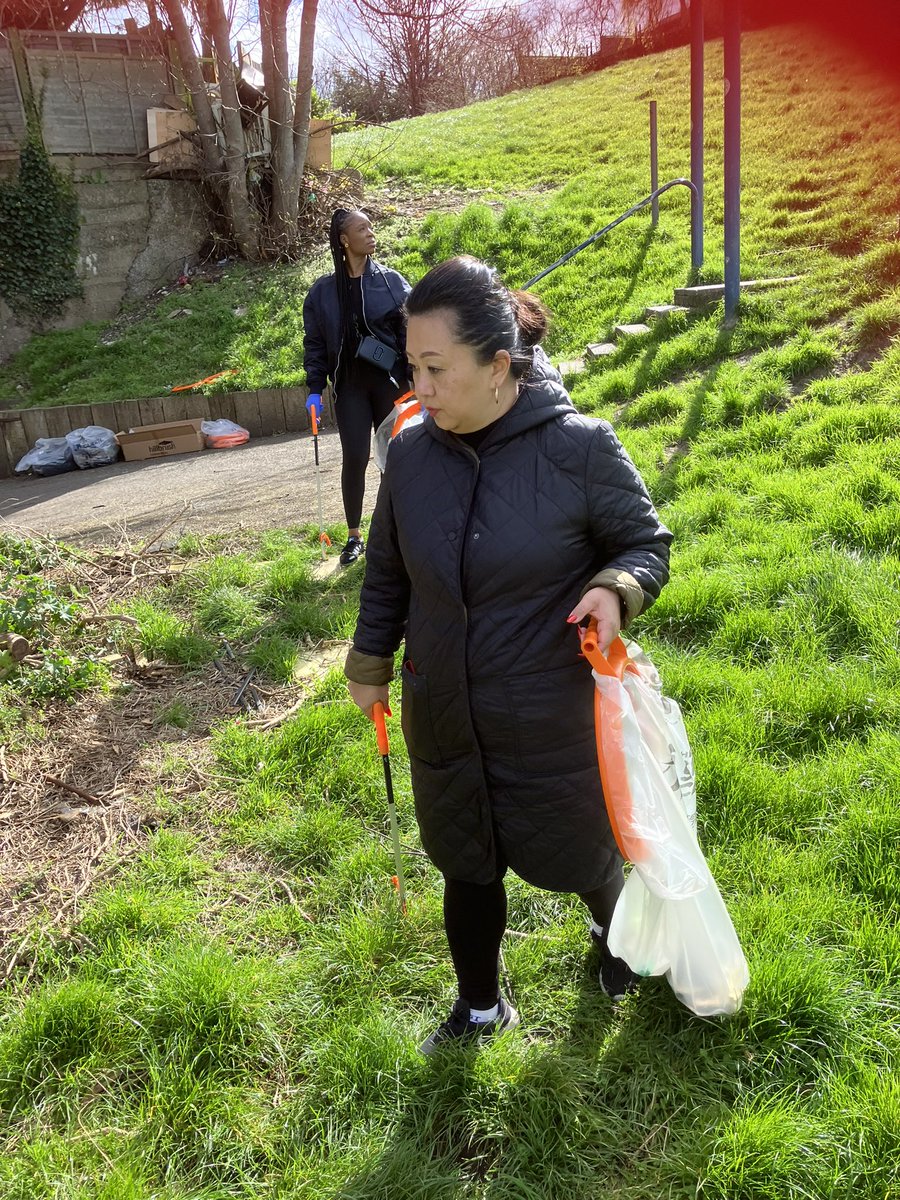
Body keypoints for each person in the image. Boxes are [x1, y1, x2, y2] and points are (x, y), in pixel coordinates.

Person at [344, 256, 672, 1054]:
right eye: (413, 365)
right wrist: (368, 661)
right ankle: (481, 1005)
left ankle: (614, 939)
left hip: (549, 710)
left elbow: (643, 542)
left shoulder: (580, 448)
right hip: (445, 705)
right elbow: (388, 569)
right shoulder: (413, 454)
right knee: (465, 861)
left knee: (583, 848)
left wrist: (616, 588)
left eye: (436, 367)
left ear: (499, 366)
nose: (419, 386)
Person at [302, 209, 412, 566]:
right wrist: (315, 390)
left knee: (392, 458)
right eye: (361, 228)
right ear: (344, 240)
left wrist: (418, 376)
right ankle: (354, 536)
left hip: (389, 384)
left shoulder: (392, 283)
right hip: (349, 388)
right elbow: (315, 344)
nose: (370, 232)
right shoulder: (322, 293)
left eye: (370, 226)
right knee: (355, 457)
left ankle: (392, 531)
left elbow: (409, 333)